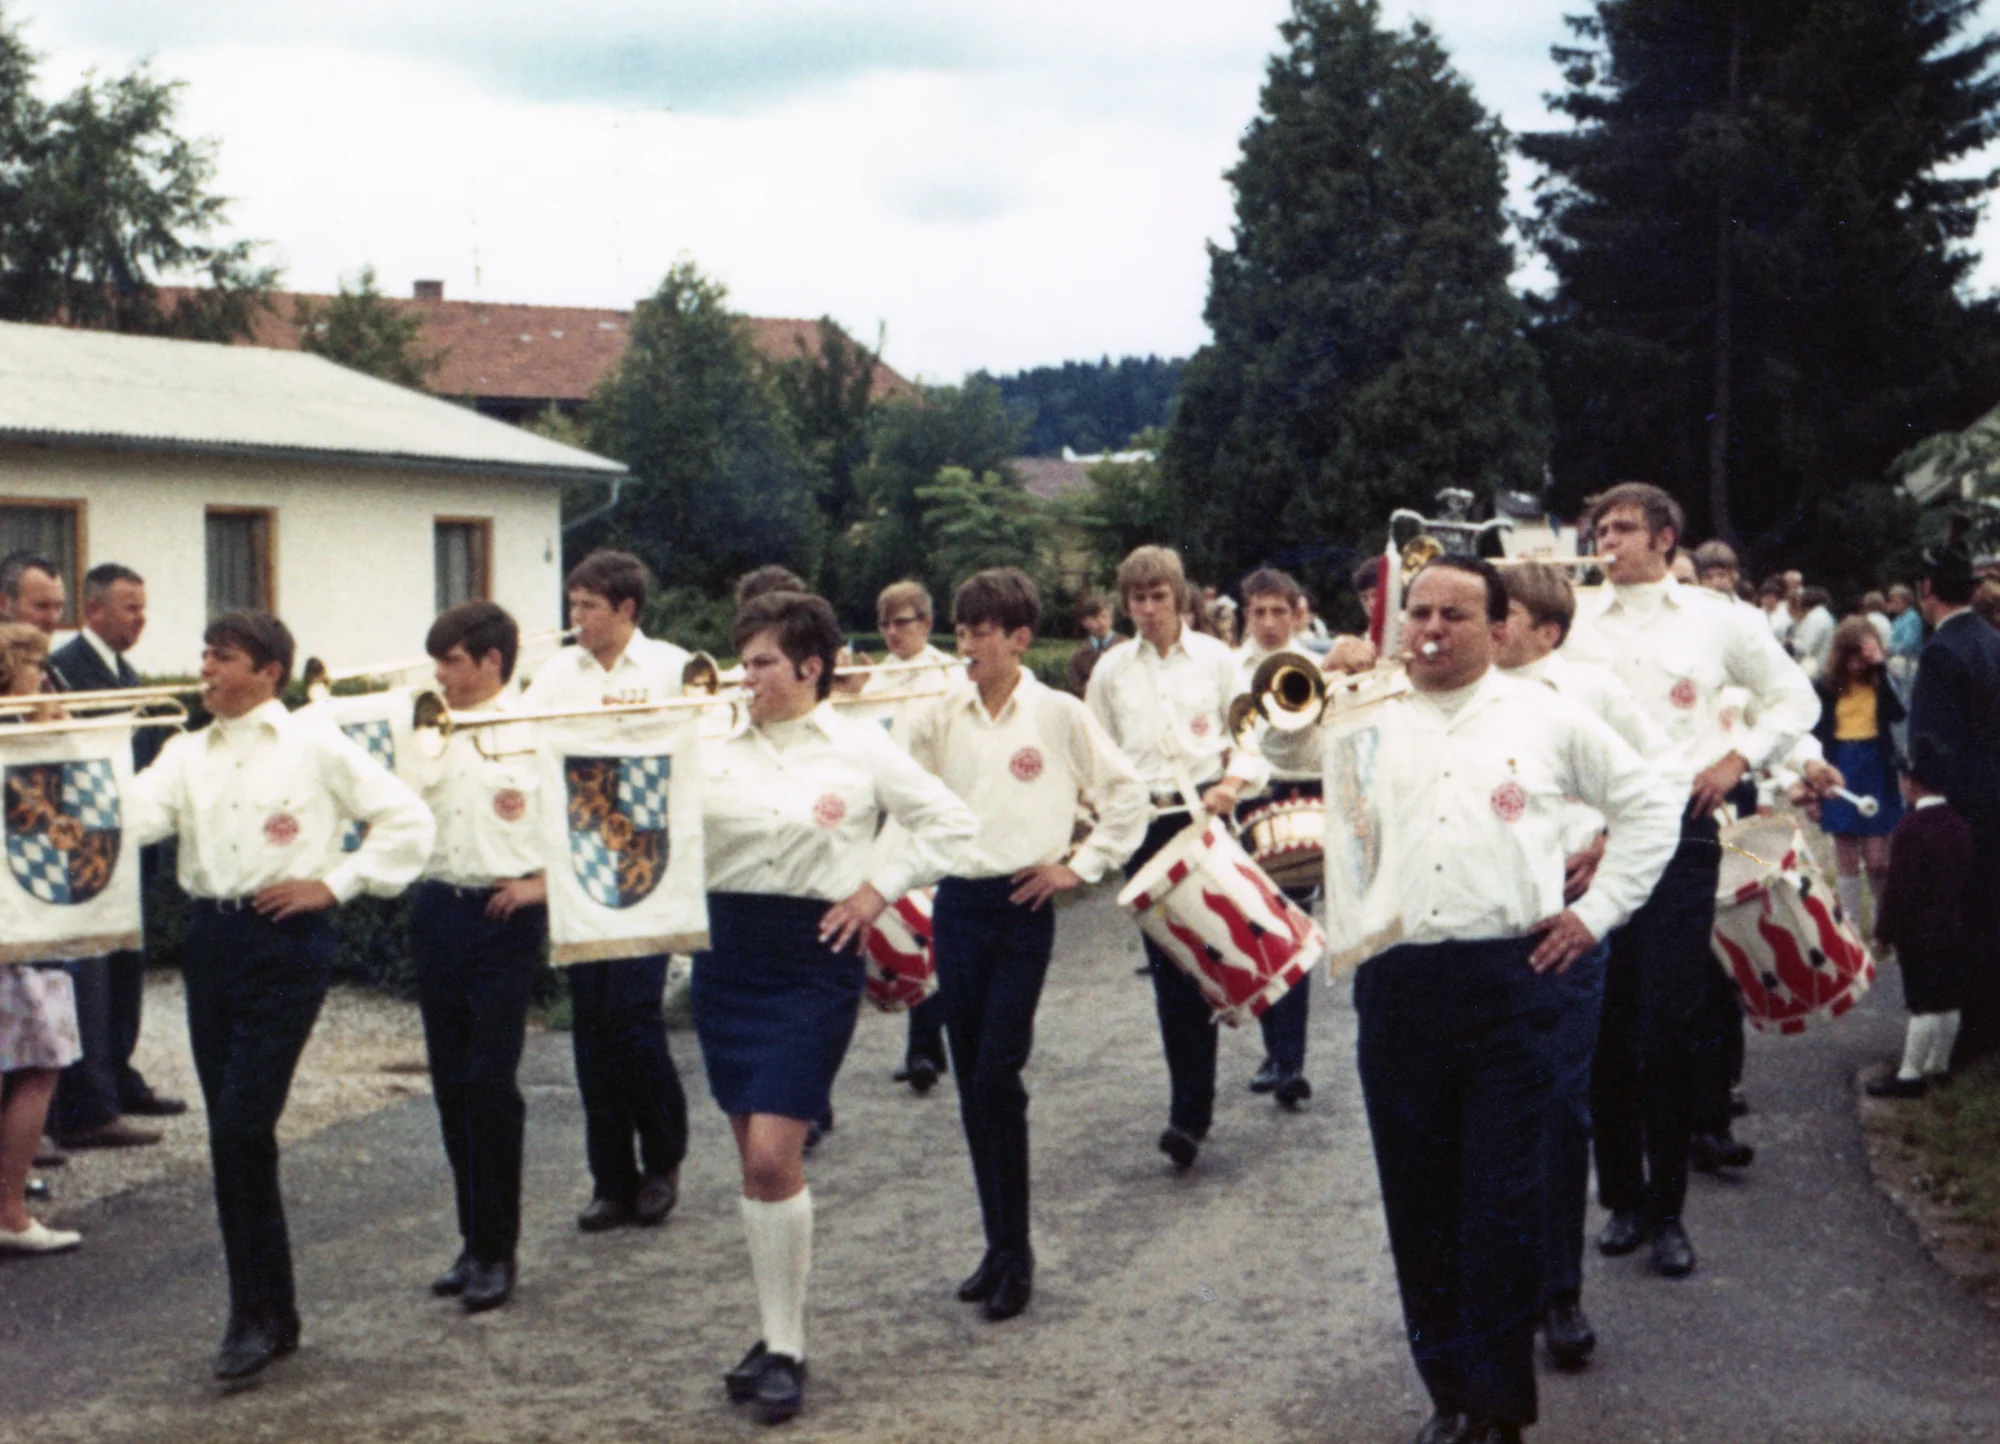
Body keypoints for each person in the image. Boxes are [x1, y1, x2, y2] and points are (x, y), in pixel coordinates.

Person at [1348, 557, 1680, 1444]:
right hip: (1399, 980)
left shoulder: (1549, 716)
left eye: (1454, 614)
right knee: (1417, 1204)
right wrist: (1334, 679)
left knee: (1498, 1203)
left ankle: (1498, 1407)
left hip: (1512, 980)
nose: (1431, 628)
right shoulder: (1364, 714)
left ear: (1498, 629)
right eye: (1418, 612)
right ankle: (1448, 1393)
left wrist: (1596, 913)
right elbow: (1269, 747)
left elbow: (1651, 805)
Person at [125, 610, 433, 1379]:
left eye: (222, 657)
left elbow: (405, 819)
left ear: (269, 670)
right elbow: (132, 819)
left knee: (238, 1128)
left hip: (285, 947)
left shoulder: (316, 742)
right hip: (212, 943)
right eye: (204, 655)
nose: (206, 668)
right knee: (239, 1138)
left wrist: (334, 883)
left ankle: (251, 1317)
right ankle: (269, 1311)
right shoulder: (183, 751)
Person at [695, 590, 975, 1424]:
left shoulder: (859, 747)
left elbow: (950, 825)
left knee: (777, 1156)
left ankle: (788, 1350)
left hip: (812, 962)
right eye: (742, 662)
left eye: (761, 663)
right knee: (753, 1160)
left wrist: (873, 891)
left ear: (810, 667)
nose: (744, 678)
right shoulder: (709, 743)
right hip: (726, 957)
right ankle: (769, 1329)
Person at [1561, 483, 1818, 1279]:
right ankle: (1624, 1201)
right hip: (1594, 842)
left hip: (1681, 836)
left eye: (1625, 527)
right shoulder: (1572, 624)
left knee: (1668, 1024)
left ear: (1666, 538)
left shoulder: (1721, 620)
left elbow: (1794, 697)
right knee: (1604, 1023)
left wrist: (1738, 758)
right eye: (1601, 528)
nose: (1609, 540)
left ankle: (1670, 1210)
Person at [902, 568, 1145, 1322]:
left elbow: (1127, 793)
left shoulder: (1060, 712)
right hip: (958, 905)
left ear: (1020, 640)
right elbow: (895, 784)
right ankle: (997, 1245)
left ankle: (1019, 1254)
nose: (968, 644)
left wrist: (1079, 866)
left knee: (999, 1072)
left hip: (1022, 906)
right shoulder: (939, 712)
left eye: (983, 632)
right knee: (974, 1083)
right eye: (962, 630)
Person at [1495, 562, 1678, 1371]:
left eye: (1503, 614)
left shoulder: (1590, 693)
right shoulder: (1449, 696)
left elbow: (1662, 776)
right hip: (1475, 932)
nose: (1487, 626)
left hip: (1562, 927)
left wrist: (1604, 845)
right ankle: (1498, 1295)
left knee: (1560, 1105)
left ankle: (1558, 1293)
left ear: (1549, 630)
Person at [524, 550, 693, 1232]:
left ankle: (662, 1160)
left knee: (634, 1017)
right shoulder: (556, 673)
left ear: (625, 610)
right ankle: (610, 1180)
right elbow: (525, 745)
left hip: (647, 857)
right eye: (572, 607)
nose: (575, 620)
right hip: (579, 858)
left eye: (587, 607)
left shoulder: (674, 666)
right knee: (590, 1025)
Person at [1086, 545, 1268, 1172]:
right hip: (1146, 826)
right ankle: (1187, 1117)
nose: (1147, 610)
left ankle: (1268, 1062)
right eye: (1136, 599)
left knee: (1223, 950)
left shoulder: (1219, 661)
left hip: (1207, 818)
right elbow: (1097, 749)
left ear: (1180, 596)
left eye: (1158, 597)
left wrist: (1232, 784)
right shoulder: (1110, 670)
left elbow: (1250, 734)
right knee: (1172, 973)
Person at [408, 601, 547, 1313]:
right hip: (440, 910)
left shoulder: (535, 732)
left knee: (490, 1082)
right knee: (451, 1086)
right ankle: (472, 1241)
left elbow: (584, 822)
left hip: (503, 919)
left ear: (492, 661)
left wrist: (538, 885)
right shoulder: (431, 729)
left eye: (452, 661)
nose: (440, 674)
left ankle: (499, 1249)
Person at [48, 563, 184, 1154]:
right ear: (95, 609)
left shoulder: (125, 672)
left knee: (128, 966)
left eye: (144, 606)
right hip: (89, 843)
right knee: (94, 974)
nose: (140, 618)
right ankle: (89, 1100)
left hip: (130, 839)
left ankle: (119, 1075)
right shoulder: (66, 670)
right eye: (129, 607)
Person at [0, 623, 84, 1254]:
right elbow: (75, 801)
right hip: (23, 923)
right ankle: (10, 1212)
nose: (46, 680)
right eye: (37, 669)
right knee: (40, 1064)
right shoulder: (29, 738)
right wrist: (58, 728)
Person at [1905, 526, 2000, 1065]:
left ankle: (1957, 1041)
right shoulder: (1992, 640)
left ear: (1927, 590)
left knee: (1951, 921)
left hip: (1958, 803)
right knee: (1988, 915)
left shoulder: (1941, 652)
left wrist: (1920, 785)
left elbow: (1931, 743)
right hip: (1995, 797)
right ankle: (1986, 1028)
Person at [1231, 567, 1324, 1110]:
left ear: (1296, 613)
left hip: (1304, 795)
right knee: (1261, 926)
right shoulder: (1230, 669)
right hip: (1251, 798)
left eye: (1278, 612)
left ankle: (1290, 1060)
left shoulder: (1315, 664)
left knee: (1293, 922)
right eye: (1258, 612)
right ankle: (1276, 1053)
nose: (1267, 622)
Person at [866, 580, 959, 1095]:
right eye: (885, 624)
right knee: (909, 921)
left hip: (937, 810)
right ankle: (924, 1045)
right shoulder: (875, 679)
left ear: (925, 623)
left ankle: (928, 1046)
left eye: (902, 622)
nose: (892, 632)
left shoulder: (948, 676)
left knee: (936, 924)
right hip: (894, 817)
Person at [1868, 743, 1972, 1098]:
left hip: (1919, 933)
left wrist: (1883, 933)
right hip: (1954, 928)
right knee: (1948, 1000)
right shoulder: (1959, 825)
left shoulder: (1910, 827)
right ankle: (1938, 1068)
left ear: (1910, 783)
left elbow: (1898, 888)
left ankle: (1910, 1075)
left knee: (1921, 1003)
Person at [1812, 617, 1906, 929]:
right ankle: (1849, 927)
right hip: (1840, 763)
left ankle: (1885, 926)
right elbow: (1815, 734)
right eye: (1850, 657)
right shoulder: (1827, 686)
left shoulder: (1880, 681)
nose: (1856, 665)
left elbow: (1897, 712)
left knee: (1878, 860)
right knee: (1846, 853)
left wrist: (1879, 665)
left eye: (1861, 658)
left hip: (1875, 764)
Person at [1064, 595, 1123, 698]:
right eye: (1095, 618)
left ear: (1111, 619)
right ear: (1085, 622)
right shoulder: (1077, 658)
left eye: (1104, 616)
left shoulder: (1126, 648)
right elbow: (1075, 690)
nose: (1101, 622)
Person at [1788, 585, 1837, 680]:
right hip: (1819, 667)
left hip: (1815, 671)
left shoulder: (1815, 618)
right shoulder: (1821, 615)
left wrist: (1792, 642)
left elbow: (1807, 647)